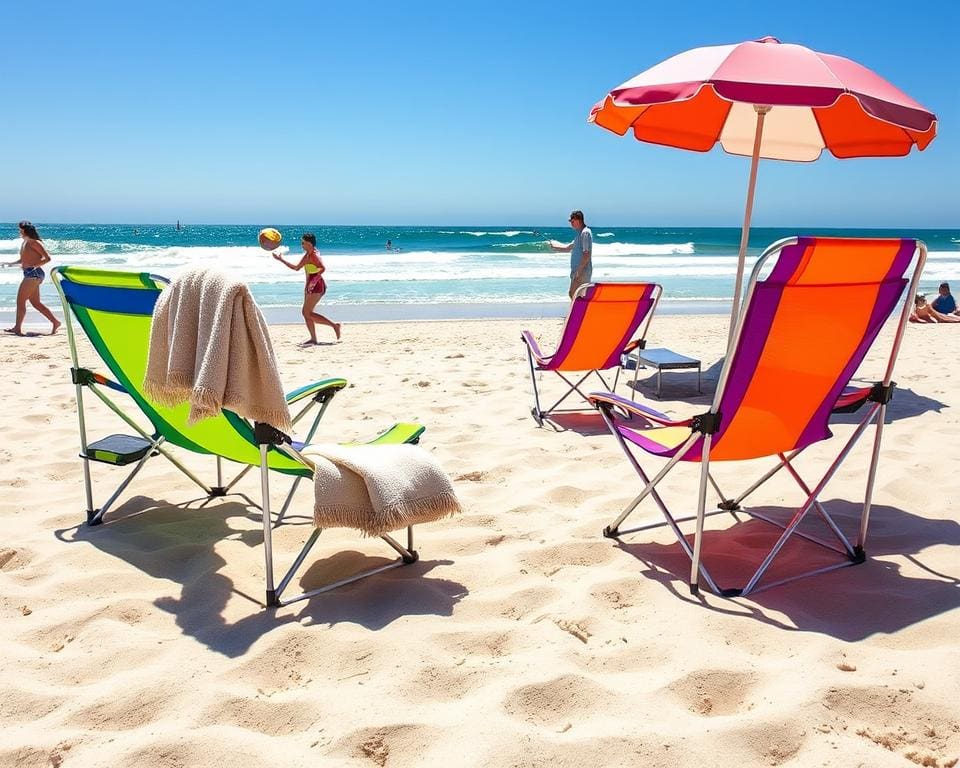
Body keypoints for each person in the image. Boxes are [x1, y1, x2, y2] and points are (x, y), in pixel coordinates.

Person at [273, 232, 341, 344]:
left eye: (303, 243)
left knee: (307, 312)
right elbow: (296, 268)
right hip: (309, 287)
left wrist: (313, 282)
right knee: (306, 313)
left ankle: (334, 325)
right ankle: (313, 338)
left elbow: (322, 268)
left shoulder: (314, 255)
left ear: (309, 244)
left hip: (317, 286)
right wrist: (281, 259)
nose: (302, 245)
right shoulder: (308, 255)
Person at [3, 221, 60, 336]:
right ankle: (55, 322)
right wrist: (10, 263)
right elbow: (24, 260)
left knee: (20, 301)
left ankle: (17, 328)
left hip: (33, 274)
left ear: (25, 231)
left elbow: (47, 258)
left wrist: (34, 266)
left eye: (20, 230)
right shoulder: (25, 243)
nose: (19, 232)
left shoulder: (34, 243)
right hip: (31, 274)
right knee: (35, 302)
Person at [547, 210, 593, 299]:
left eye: (572, 221)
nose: (571, 224)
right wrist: (555, 246)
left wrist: (579, 271)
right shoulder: (579, 234)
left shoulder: (585, 233)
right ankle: (578, 312)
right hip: (577, 271)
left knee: (575, 295)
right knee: (574, 294)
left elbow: (587, 255)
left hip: (582, 271)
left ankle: (579, 312)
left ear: (578, 220)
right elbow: (568, 248)